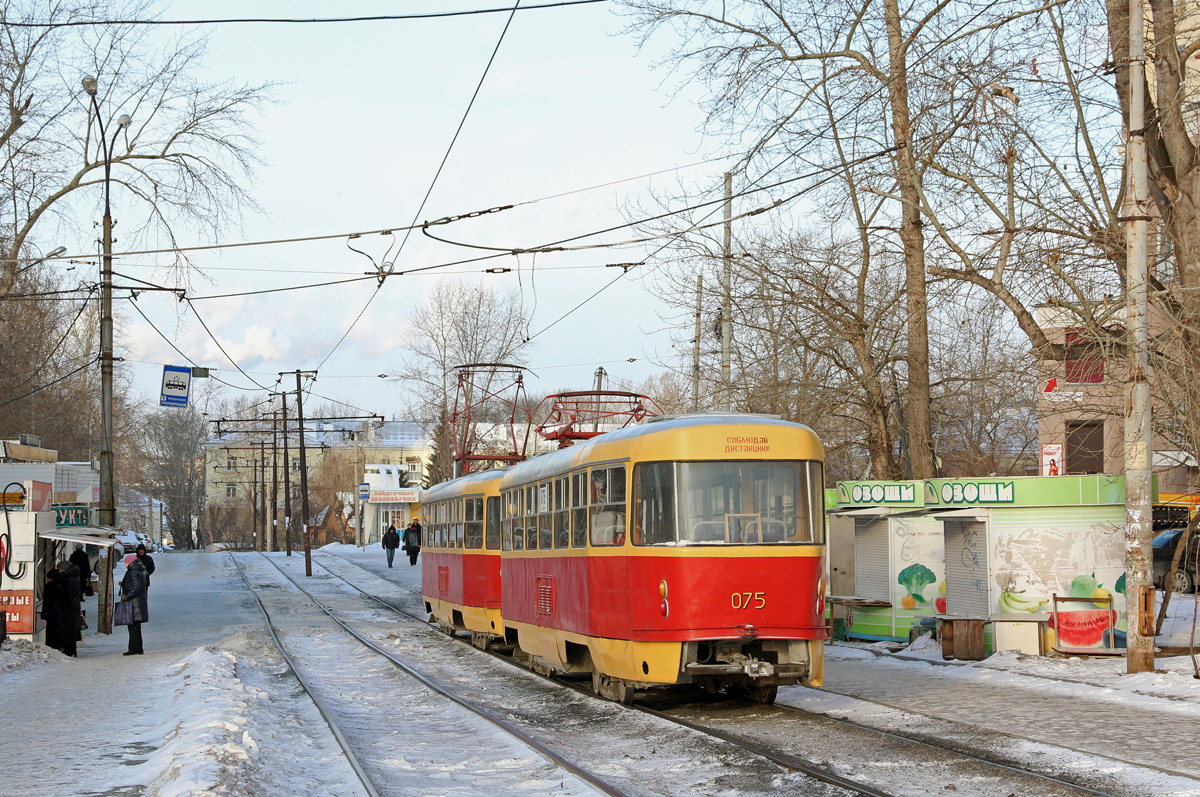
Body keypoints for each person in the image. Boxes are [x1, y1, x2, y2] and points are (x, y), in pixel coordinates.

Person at [120, 555, 149, 655]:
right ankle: (138, 648)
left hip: (133, 604)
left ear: (130, 563)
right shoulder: (139, 570)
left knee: (133, 628)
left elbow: (136, 587)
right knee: (136, 627)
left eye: (125, 562)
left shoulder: (132, 572)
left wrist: (127, 596)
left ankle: (134, 649)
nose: (125, 564)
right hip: (138, 603)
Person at [42, 568, 71, 654]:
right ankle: (61, 647)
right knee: (61, 631)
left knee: (52, 632)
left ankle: (53, 648)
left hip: (52, 613)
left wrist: (44, 614)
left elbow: (46, 601)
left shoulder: (49, 586)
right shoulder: (64, 584)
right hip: (62, 612)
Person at [57, 560, 82, 655]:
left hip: (69, 607)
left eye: (59, 569)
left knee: (69, 628)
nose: (58, 571)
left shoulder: (67, 578)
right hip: (74, 605)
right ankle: (72, 649)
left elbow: (66, 594)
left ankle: (70, 649)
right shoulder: (75, 576)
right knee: (73, 628)